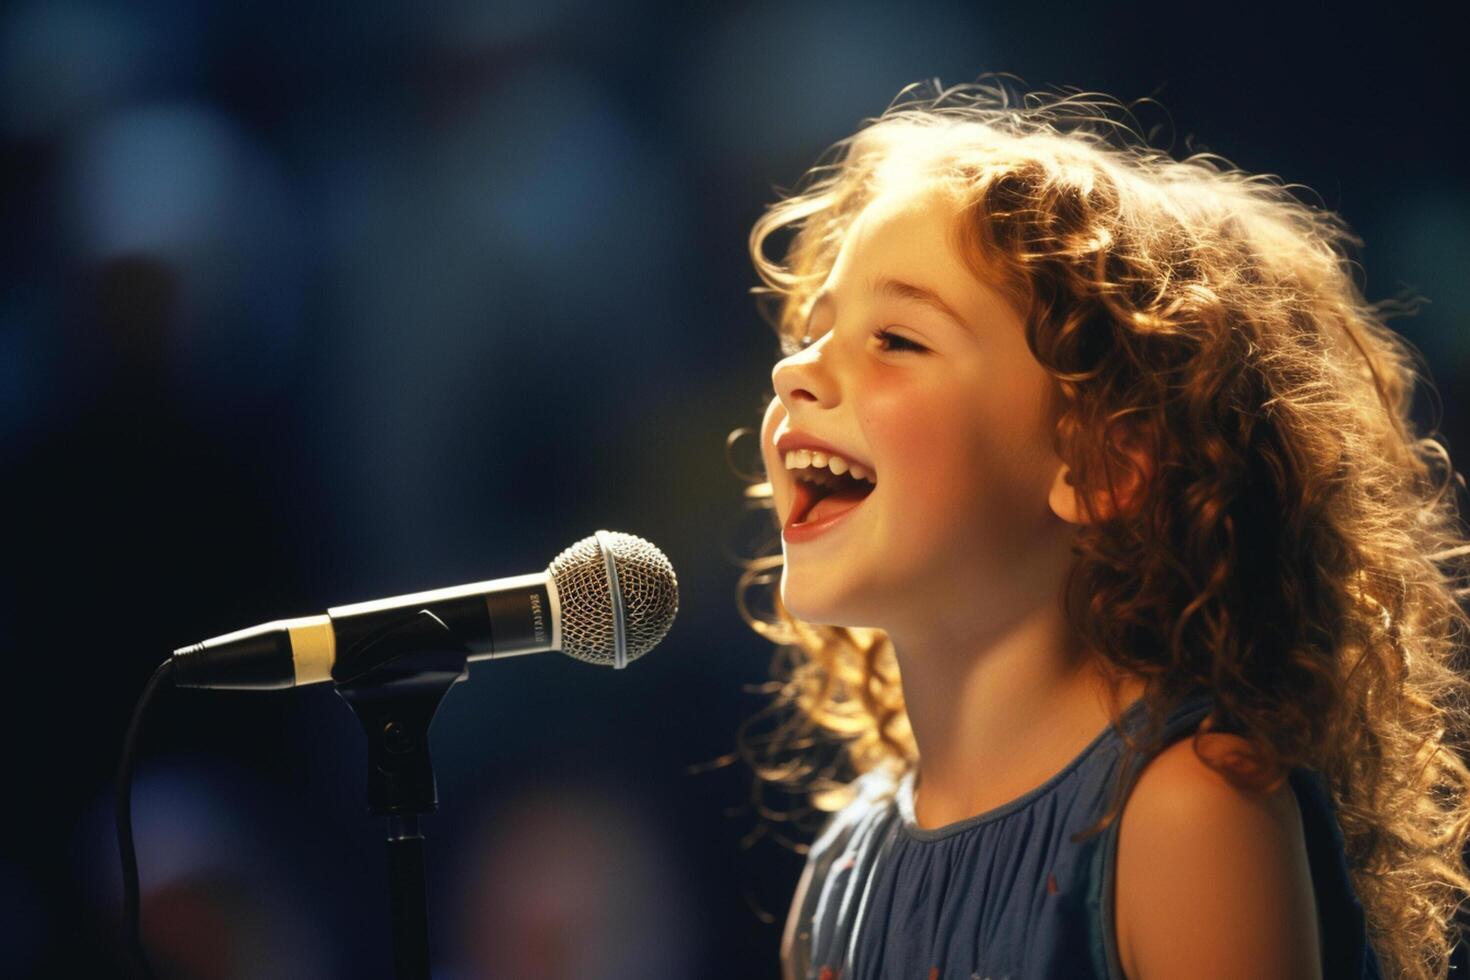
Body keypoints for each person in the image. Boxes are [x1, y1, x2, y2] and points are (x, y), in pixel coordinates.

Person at [733, 77, 1470, 979]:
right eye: (814, 330)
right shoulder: (841, 871)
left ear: (1102, 465)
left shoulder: (1191, 811)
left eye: (897, 340)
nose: (796, 374)